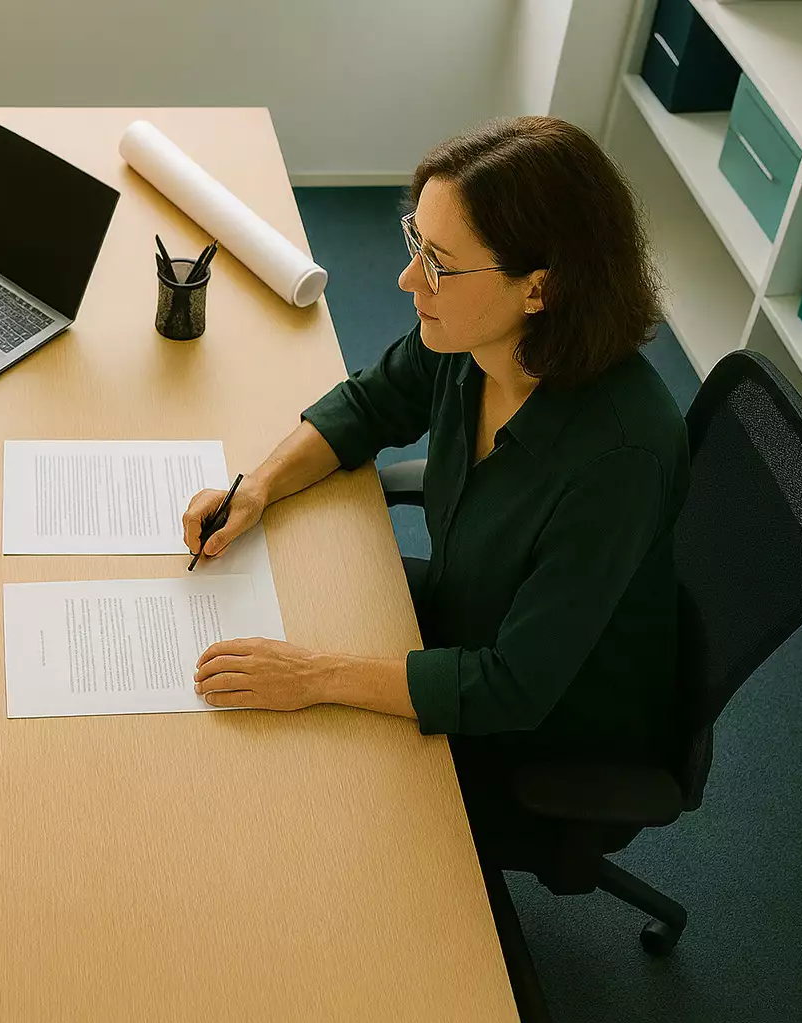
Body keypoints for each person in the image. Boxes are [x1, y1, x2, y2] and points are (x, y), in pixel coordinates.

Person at [181, 116, 689, 851]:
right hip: (460, 625)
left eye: (440, 263)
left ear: (538, 288)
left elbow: (514, 687)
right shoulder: (471, 339)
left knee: (297, 813)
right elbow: (368, 405)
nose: (408, 279)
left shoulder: (619, 459)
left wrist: (317, 675)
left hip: (544, 732)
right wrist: (259, 485)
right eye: (414, 241)